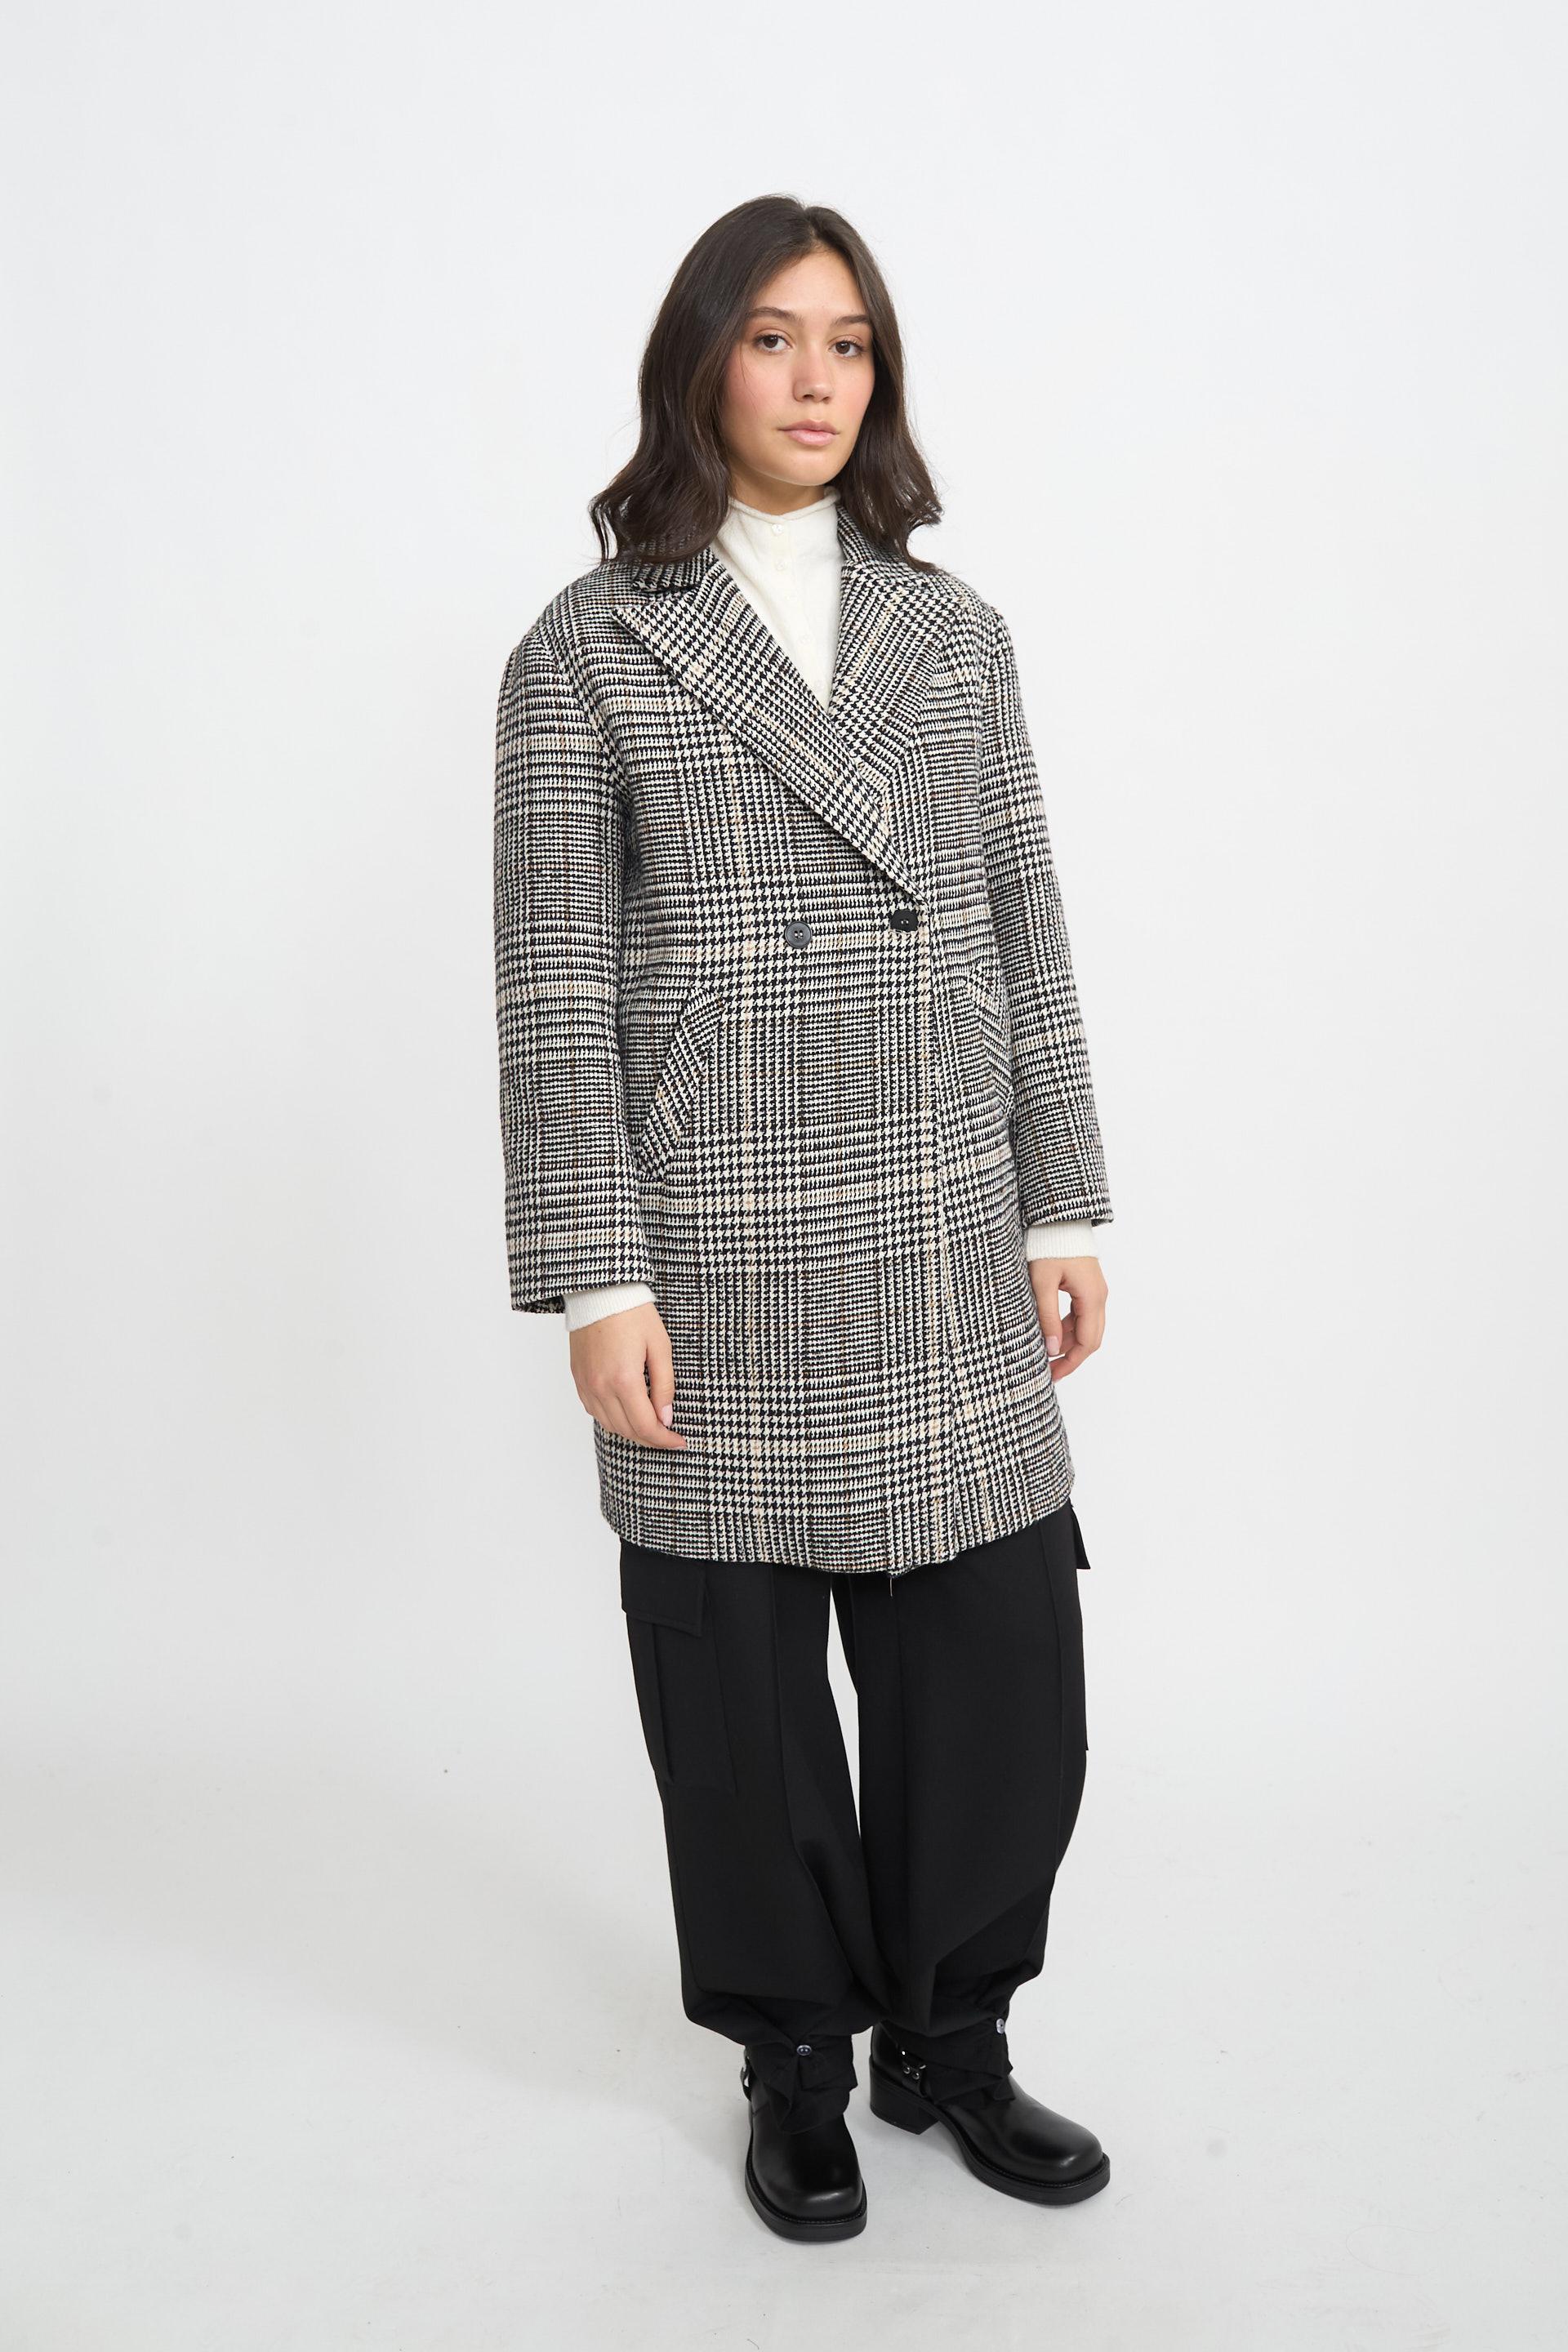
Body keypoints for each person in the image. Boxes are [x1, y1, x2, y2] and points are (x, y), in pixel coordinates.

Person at [492, 194, 1115, 2241]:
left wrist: (1060, 1206)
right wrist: (597, 1273)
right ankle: (794, 2065)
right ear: (702, 363)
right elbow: (552, 982)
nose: (818, 377)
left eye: (850, 342)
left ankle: (954, 2038)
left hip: (942, 1210)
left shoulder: (958, 635)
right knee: (742, 1701)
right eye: (773, 337)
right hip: (719, 1230)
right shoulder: (589, 647)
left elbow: (1022, 918)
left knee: (997, 1664)